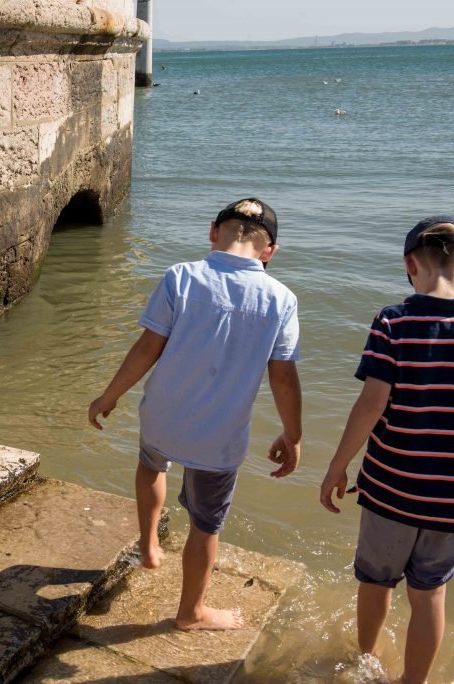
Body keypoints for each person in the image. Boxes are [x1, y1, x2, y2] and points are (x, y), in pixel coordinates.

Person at [88, 198, 303, 630]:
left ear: (212, 233)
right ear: (270, 251)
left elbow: (147, 347)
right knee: (206, 524)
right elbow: (283, 377)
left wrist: (109, 395)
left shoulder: (181, 277)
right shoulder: (281, 298)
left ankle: (149, 545)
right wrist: (292, 434)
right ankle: (191, 612)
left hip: (163, 415)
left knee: (151, 465)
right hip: (218, 437)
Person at [320, 215, 454, 684]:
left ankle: (364, 663)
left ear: (409, 265)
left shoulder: (394, 321)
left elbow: (372, 403)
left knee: (375, 582)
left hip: (392, 487)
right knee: (430, 594)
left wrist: (338, 466)